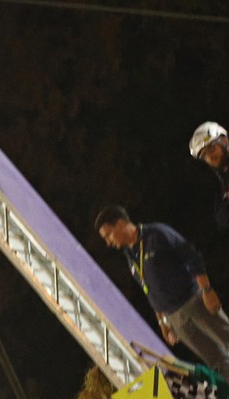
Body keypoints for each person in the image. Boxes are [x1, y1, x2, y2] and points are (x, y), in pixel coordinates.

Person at [95, 205, 229, 374]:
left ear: (120, 224)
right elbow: (148, 289)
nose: (108, 243)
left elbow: (192, 256)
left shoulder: (156, 233)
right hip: (175, 319)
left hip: (194, 302)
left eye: (108, 235)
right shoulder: (130, 255)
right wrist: (162, 322)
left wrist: (207, 290)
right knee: (216, 361)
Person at [189, 122, 229, 230]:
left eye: (211, 147)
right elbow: (223, 221)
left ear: (224, 141)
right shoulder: (219, 182)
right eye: (203, 155)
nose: (209, 157)